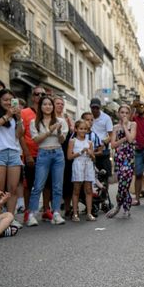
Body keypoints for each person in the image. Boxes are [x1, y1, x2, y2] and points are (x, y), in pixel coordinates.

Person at [26, 96, 68, 226]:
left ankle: (56, 213)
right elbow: (36, 140)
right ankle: (31, 214)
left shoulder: (61, 121)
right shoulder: (35, 122)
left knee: (57, 185)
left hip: (58, 153)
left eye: (50, 104)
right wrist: (49, 131)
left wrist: (59, 131)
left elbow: (62, 141)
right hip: (43, 153)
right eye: (45, 104)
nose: (48, 106)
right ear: (40, 106)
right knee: (38, 185)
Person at [0, 89, 23, 218]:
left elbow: (19, 135)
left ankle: (10, 218)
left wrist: (18, 119)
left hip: (13, 153)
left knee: (12, 189)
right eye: (5, 100)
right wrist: (7, 115)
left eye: (10, 100)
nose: (8, 102)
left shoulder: (15, 115)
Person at [21, 86, 52, 221]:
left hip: (46, 153)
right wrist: (27, 154)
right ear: (33, 97)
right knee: (29, 184)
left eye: (43, 94)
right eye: (37, 94)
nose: (40, 96)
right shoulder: (24, 112)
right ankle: (28, 211)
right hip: (31, 154)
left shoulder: (49, 113)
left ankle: (46, 209)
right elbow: (21, 135)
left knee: (47, 184)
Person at [106, 105, 137, 219]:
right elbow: (113, 145)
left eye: (126, 113)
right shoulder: (115, 127)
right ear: (118, 114)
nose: (124, 114)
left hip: (129, 157)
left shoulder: (133, 124)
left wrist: (124, 126)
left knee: (125, 183)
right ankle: (126, 208)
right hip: (119, 157)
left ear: (129, 114)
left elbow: (131, 139)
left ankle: (118, 205)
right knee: (122, 183)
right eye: (122, 112)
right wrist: (123, 139)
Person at [68, 120, 96, 222]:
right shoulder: (73, 141)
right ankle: (75, 213)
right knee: (76, 189)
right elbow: (69, 156)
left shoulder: (89, 142)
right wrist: (80, 152)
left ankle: (89, 212)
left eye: (85, 129)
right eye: (81, 128)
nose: (83, 131)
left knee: (88, 189)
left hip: (88, 164)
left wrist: (90, 153)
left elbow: (94, 158)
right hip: (78, 164)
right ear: (76, 129)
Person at [131, 100, 144, 205]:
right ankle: (137, 198)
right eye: (138, 106)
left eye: (142, 106)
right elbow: (128, 118)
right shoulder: (134, 119)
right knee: (138, 174)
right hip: (138, 149)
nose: (140, 107)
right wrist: (133, 107)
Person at [90, 98, 113, 182]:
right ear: (90, 107)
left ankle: (104, 192)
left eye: (97, 108)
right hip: (90, 150)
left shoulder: (106, 118)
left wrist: (103, 143)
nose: (95, 110)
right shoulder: (89, 117)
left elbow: (111, 135)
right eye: (93, 108)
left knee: (104, 175)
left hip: (103, 151)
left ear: (100, 108)